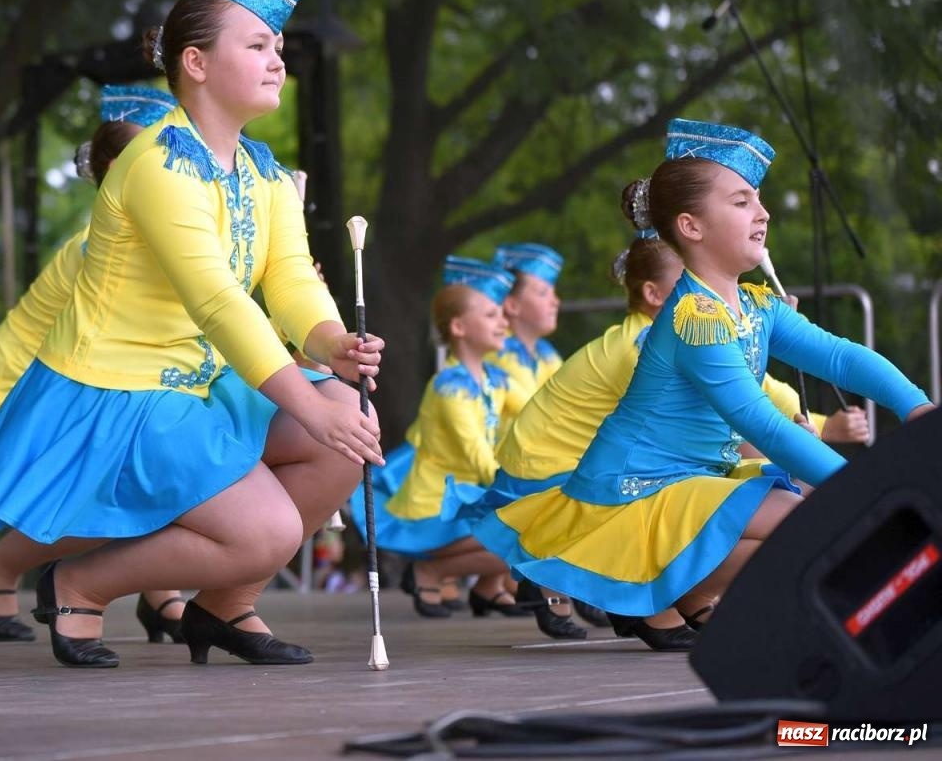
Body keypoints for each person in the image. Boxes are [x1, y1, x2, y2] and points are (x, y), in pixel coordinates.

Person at [0, 0, 383, 669]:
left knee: (350, 424)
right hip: (122, 390)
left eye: (278, 47)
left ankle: (225, 605)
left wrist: (330, 343)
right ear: (196, 63)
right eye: (256, 45)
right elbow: (216, 301)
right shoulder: (156, 164)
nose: (277, 60)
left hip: (199, 385)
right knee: (271, 523)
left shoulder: (263, 170)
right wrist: (308, 405)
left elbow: (292, 277)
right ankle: (82, 585)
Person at [475, 118, 933, 639]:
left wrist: (915, 407)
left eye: (758, 200)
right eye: (740, 202)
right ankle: (665, 594)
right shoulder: (695, 318)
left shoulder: (757, 306)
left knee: (801, 489)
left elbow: (840, 358)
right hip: (636, 488)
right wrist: (861, 490)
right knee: (795, 510)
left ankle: (685, 594)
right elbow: (758, 420)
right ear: (691, 227)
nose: (762, 213)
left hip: (687, 479)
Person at [0, 86, 192, 643]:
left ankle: (160, 592)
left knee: (147, 475)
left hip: (98, 379)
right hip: (31, 382)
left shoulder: (155, 230)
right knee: (93, 492)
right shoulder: (102, 241)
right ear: (118, 169)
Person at [372, 281, 528, 621]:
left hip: (463, 500)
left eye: (502, 314)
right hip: (434, 506)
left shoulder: (494, 380)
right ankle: (431, 572)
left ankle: (487, 586)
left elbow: (538, 413)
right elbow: (477, 456)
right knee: (528, 532)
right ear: (458, 327)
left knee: (529, 522)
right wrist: (527, 491)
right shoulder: (449, 388)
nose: (503, 321)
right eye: (490, 315)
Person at [491, 243, 564, 420]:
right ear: (511, 305)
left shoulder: (544, 353)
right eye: (543, 293)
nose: (555, 302)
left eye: (553, 293)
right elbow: (540, 418)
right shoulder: (500, 353)